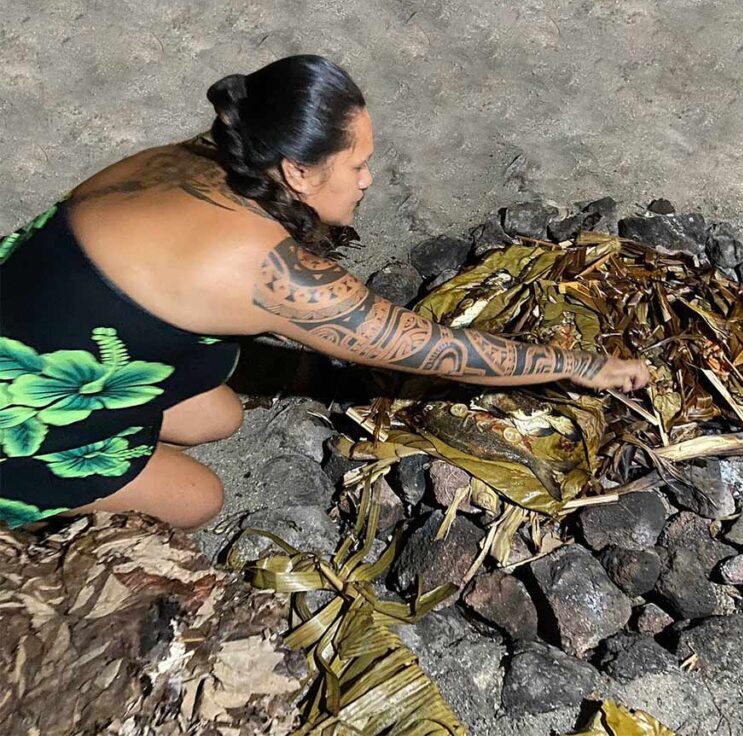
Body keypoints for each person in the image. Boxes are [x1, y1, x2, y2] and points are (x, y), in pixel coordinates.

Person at [0, 54, 650, 532]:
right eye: (357, 166)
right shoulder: (262, 270)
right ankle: (37, 509)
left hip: (33, 321)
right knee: (200, 502)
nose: (368, 181)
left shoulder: (202, 159)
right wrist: (587, 367)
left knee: (219, 416)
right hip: (17, 412)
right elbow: (438, 352)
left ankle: (115, 444)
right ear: (297, 170)